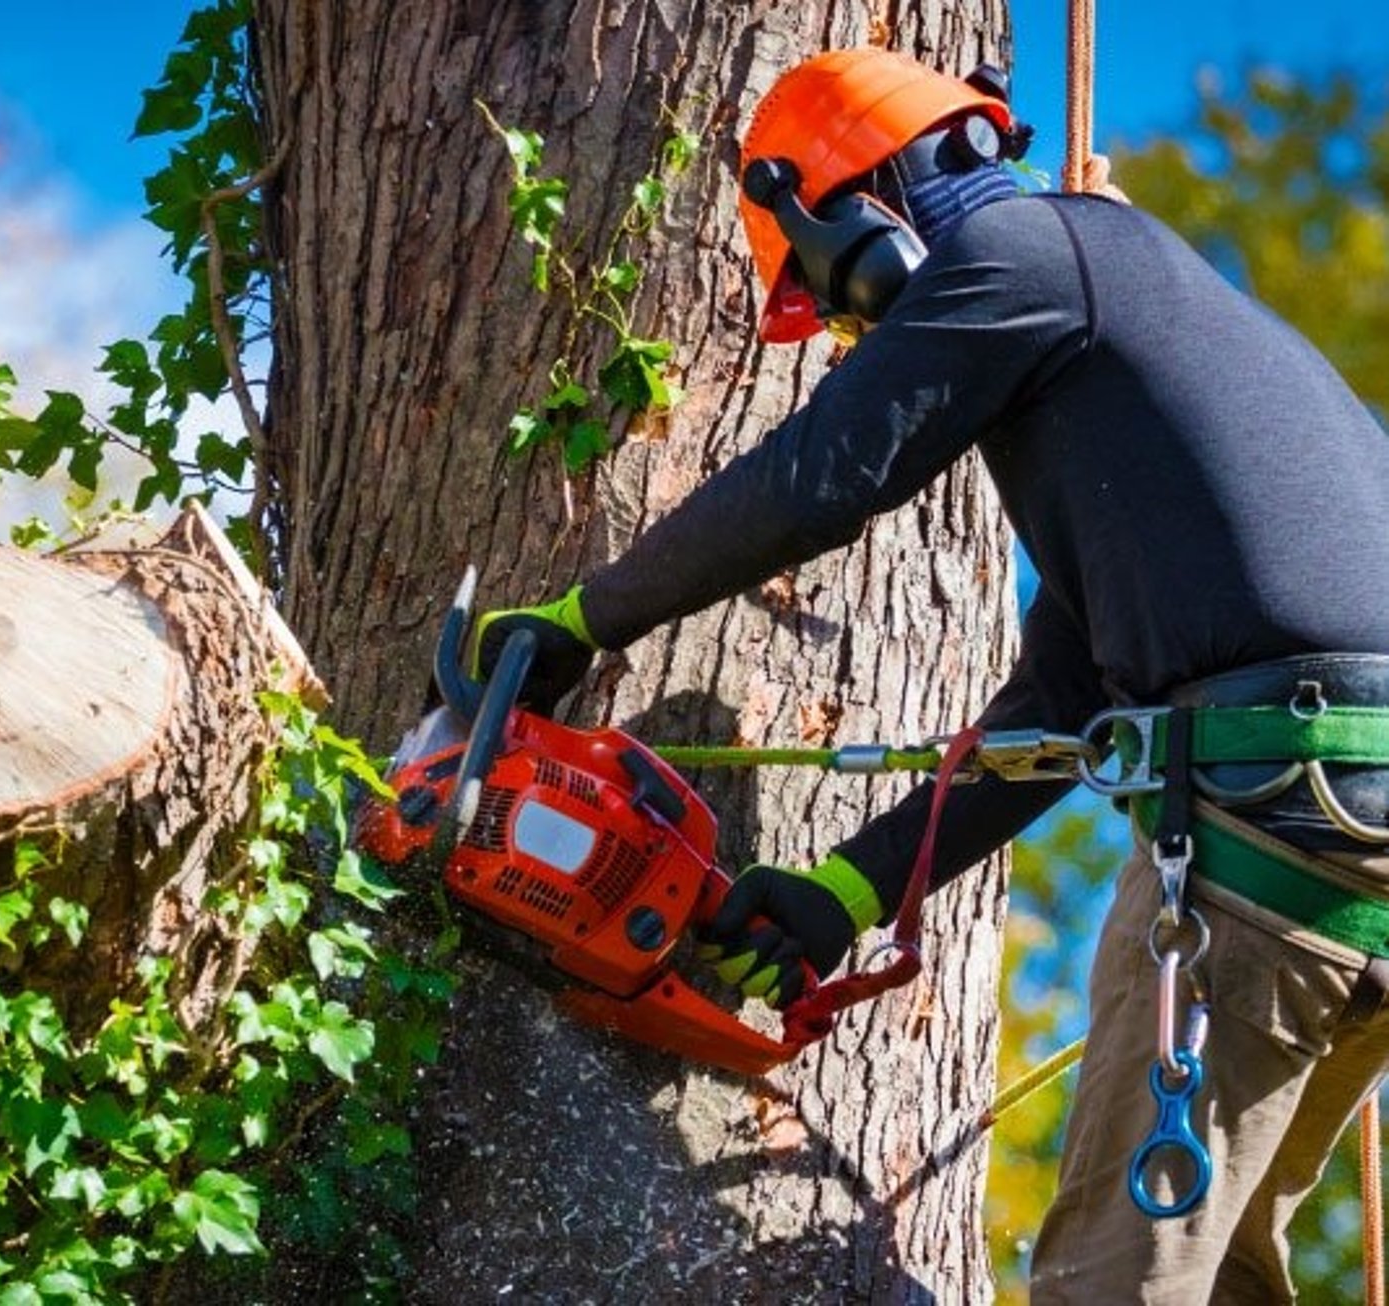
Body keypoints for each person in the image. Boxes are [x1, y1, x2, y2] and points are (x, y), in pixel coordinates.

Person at [473, 46, 1389, 1303]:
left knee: (1115, 1286)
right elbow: (1062, 705)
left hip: (1278, 822)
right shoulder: (1137, 352)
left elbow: (821, 480)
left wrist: (581, 619)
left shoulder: (1023, 258)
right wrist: (848, 889)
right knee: (1217, 1275)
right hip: (1343, 857)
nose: (855, 337)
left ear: (854, 220)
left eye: (836, 303)